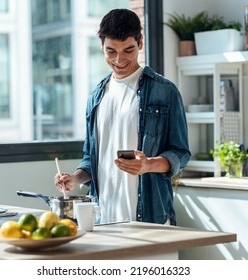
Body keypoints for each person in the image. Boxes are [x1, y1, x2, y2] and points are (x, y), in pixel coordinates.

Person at [55, 8, 190, 225]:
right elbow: (92, 157)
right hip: (102, 217)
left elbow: (181, 153)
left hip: (150, 217)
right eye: (111, 51)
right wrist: (75, 178)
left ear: (140, 43)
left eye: (128, 50)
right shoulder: (96, 96)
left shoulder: (165, 91)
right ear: (101, 46)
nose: (119, 59)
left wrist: (149, 165)